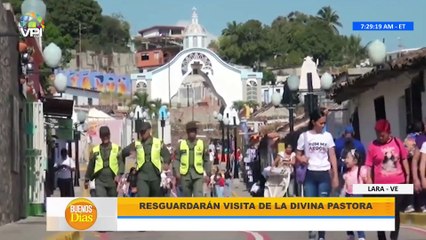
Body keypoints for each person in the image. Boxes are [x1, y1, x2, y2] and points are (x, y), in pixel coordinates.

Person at [296, 109, 339, 240]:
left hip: (324, 174)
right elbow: (297, 154)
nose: (323, 125)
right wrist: (301, 159)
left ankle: (321, 235)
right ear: (314, 122)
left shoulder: (328, 136)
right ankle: (312, 231)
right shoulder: (305, 136)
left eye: (324, 123)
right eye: (321, 123)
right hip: (310, 174)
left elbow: (332, 156)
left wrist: (335, 175)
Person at [365, 119, 410, 240]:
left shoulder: (397, 142)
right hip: (380, 185)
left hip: (398, 182)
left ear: (388, 132)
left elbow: (404, 158)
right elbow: (368, 164)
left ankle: (393, 237)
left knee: (394, 211)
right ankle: (381, 237)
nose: (380, 136)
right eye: (377, 133)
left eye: (382, 134)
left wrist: (408, 174)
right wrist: (369, 178)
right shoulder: (372, 146)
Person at [122, 122, 171, 197]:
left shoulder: (158, 142)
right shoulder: (136, 143)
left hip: (155, 175)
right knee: (143, 197)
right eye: (141, 132)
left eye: (144, 131)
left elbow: (166, 154)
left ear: (149, 131)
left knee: (155, 200)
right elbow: (123, 152)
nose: (142, 133)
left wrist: (166, 163)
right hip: (142, 175)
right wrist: (131, 153)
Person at [84, 126, 124, 197]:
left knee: (112, 202)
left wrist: (119, 175)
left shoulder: (117, 148)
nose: (105, 137)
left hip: (113, 181)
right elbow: (91, 165)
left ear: (109, 135)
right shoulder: (95, 150)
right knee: (101, 199)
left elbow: (121, 163)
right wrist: (86, 179)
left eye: (107, 135)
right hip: (100, 181)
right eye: (103, 136)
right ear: (100, 137)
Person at [174, 121, 210, 197]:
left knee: (198, 195)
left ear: (196, 132)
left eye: (194, 131)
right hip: (185, 174)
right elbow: (177, 159)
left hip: (198, 174)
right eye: (190, 131)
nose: (192, 133)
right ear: (187, 132)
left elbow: (206, 160)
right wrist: (177, 172)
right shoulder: (181, 144)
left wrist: (208, 173)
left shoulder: (202, 144)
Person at [343, 149, 367, 240]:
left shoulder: (361, 170)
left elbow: (366, 181)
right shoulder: (347, 172)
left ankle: (361, 236)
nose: (345, 160)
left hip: (358, 195)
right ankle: (350, 234)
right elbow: (346, 185)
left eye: (348, 158)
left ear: (355, 161)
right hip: (348, 195)